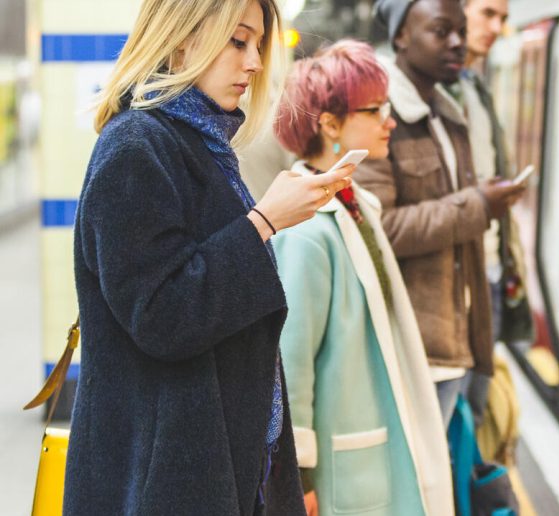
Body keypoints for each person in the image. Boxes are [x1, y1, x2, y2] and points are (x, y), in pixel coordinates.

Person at [66, 0, 355, 513]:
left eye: (259, 45)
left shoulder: (197, 143)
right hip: (166, 479)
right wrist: (264, 221)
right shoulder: (135, 147)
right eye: (237, 41)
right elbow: (163, 316)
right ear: (181, 39)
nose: (255, 62)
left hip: (207, 464)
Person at [272, 40, 453, 516]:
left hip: (370, 448)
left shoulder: (354, 203)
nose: (389, 121)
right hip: (340, 470)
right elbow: (291, 364)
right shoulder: (307, 231)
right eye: (375, 110)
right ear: (329, 124)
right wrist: (299, 478)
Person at [361, 0, 526, 428]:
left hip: (457, 337)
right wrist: (480, 205)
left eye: (459, 30)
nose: (457, 43)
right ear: (401, 36)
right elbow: (380, 228)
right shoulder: (376, 115)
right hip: (414, 349)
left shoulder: (448, 117)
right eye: (440, 31)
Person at [451, 0, 536, 373]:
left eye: (502, 18)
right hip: (462, 275)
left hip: (490, 265)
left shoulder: (474, 87)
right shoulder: (441, 90)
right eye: (487, 13)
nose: (497, 27)